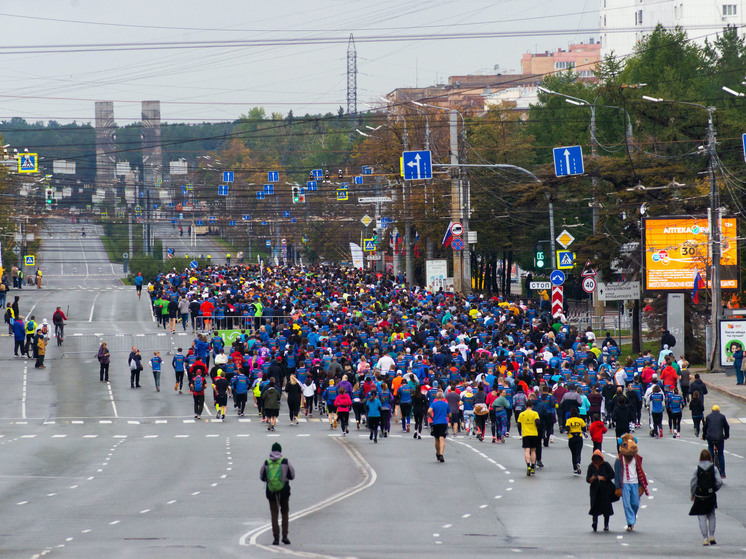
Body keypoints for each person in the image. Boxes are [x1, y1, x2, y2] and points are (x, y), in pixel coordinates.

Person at [259, 442, 294, 546]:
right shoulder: (285, 461)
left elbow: (262, 477)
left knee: (274, 513)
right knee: (284, 512)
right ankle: (285, 536)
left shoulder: (266, 462)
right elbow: (292, 475)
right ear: (280, 451)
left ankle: (276, 537)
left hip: (271, 491)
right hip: (284, 490)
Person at [614, 434, 649, 532]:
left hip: (635, 482)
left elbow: (640, 470)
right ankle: (630, 522)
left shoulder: (636, 458)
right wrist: (617, 487)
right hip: (624, 483)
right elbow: (617, 474)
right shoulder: (619, 459)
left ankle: (632, 517)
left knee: (635, 503)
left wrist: (641, 484)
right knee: (626, 504)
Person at [689, 449, 723, 546]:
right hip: (710, 495)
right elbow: (719, 482)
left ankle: (705, 538)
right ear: (709, 457)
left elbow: (693, 483)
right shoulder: (714, 468)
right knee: (711, 515)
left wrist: (692, 494)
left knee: (701, 516)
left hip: (700, 496)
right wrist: (714, 489)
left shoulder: (697, 469)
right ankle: (712, 536)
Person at [587, 449, 615, 532]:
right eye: (595, 459)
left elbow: (612, 474)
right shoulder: (591, 466)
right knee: (594, 506)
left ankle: (606, 524)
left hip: (605, 489)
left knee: (606, 507)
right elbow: (588, 479)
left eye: (598, 459)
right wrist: (592, 478)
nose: (597, 461)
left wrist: (603, 478)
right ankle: (594, 522)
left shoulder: (606, 465)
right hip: (595, 490)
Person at [702, 405, 729, 478]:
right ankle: (723, 473)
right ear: (719, 411)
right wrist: (726, 436)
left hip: (710, 438)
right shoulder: (722, 417)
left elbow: (705, 428)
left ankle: (708, 469)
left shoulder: (708, 417)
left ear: (712, 410)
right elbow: (726, 427)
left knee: (710, 450)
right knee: (720, 454)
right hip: (720, 438)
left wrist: (704, 436)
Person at [517, 398, 541, 476]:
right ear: (532, 406)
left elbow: (519, 425)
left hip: (526, 434)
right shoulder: (535, 413)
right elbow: (538, 422)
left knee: (527, 450)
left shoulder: (521, 414)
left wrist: (520, 433)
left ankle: (528, 466)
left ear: (525, 406)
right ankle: (533, 466)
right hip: (534, 433)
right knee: (533, 450)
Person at [428, 389, 450, 462]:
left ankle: (437, 452)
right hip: (443, 422)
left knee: (436, 438)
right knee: (442, 438)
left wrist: (431, 417)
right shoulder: (446, 404)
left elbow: (429, 411)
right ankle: (441, 454)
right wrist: (446, 414)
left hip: (436, 422)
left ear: (436, 397)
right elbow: (450, 414)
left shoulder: (434, 404)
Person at [565, 406, 587, 475]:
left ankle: (574, 468)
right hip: (579, 437)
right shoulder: (580, 420)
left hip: (571, 437)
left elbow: (567, 428)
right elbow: (584, 428)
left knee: (573, 453)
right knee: (578, 452)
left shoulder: (569, 420)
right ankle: (578, 463)